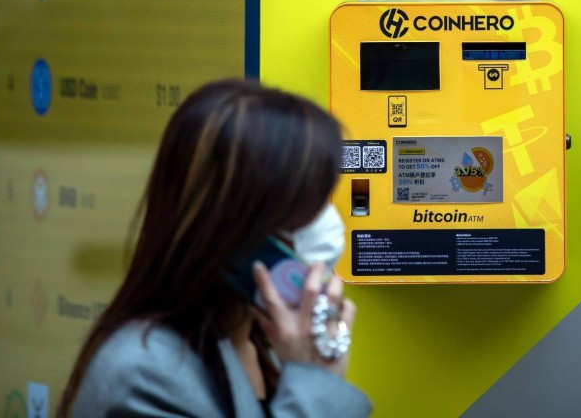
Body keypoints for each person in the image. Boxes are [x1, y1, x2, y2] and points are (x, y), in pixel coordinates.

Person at [57, 79, 371, 417]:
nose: (327, 222)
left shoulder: (264, 347)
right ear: (240, 229)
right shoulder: (146, 373)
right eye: (308, 206)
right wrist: (316, 385)